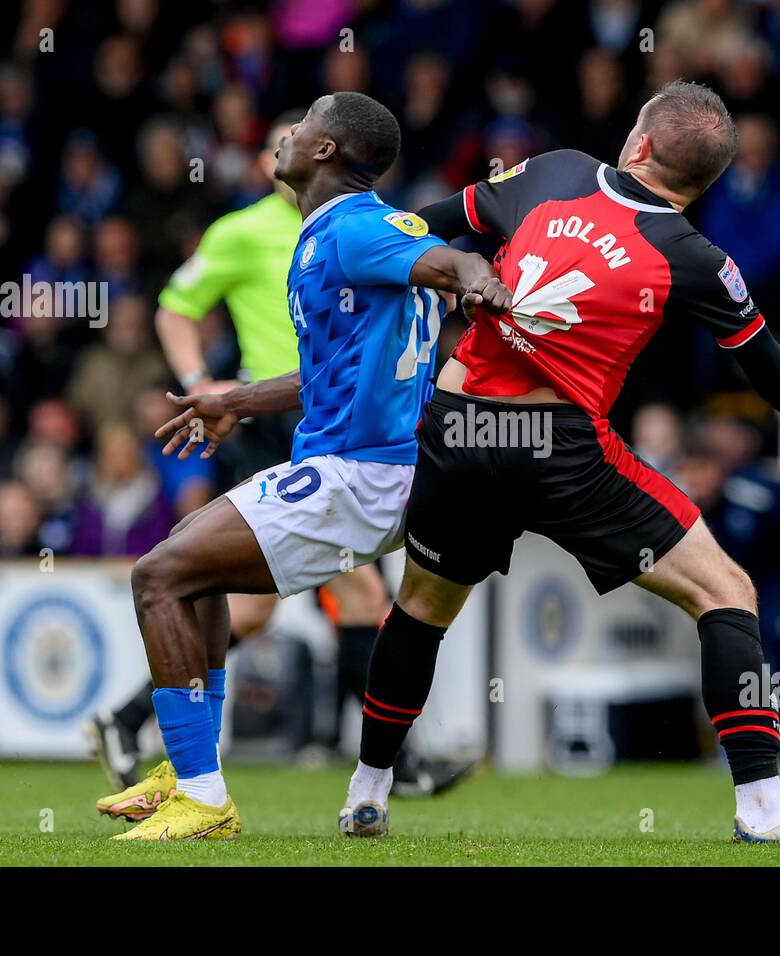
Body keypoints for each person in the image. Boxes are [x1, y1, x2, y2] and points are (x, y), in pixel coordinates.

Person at [339, 80, 780, 843]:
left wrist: (378, 274)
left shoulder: (554, 171)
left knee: (421, 607)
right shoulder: (692, 255)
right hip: (558, 451)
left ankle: (368, 791)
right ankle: (760, 807)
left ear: (641, 144)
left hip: (456, 428)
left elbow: (425, 225)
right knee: (725, 592)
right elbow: (765, 364)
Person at [106, 92, 511, 840]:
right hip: (355, 466)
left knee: (157, 576)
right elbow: (328, 371)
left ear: (325, 151)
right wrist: (237, 400)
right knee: (195, 572)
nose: (287, 133)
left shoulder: (358, 228)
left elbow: (451, 259)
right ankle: (189, 770)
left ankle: (201, 794)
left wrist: (476, 279)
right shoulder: (329, 232)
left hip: (360, 473)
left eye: (305, 123)